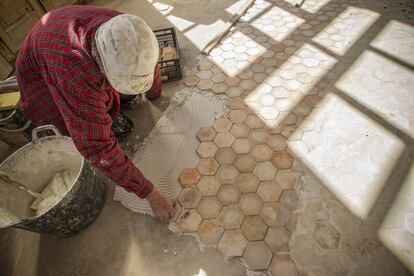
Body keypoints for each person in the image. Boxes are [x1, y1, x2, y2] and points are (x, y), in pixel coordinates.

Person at [16, 5, 176, 221]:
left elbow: (149, 63)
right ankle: (104, 116)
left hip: (56, 33)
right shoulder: (74, 75)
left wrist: (155, 94)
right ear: (102, 67)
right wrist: (150, 193)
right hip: (42, 76)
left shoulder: (128, 29)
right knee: (87, 132)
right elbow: (97, 149)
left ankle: (110, 109)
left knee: (114, 111)